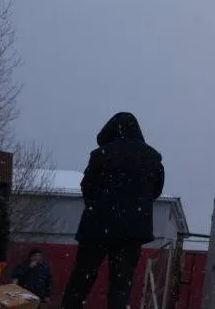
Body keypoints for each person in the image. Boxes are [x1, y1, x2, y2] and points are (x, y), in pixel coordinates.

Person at [61, 112, 164, 309]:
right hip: (132, 230)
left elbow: (87, 186)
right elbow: (156, 190)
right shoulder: (152, 159)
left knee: (82, 277)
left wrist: (99, 206)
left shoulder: (101, 155)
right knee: (121, 283)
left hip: (97, 225)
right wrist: (135, 206)